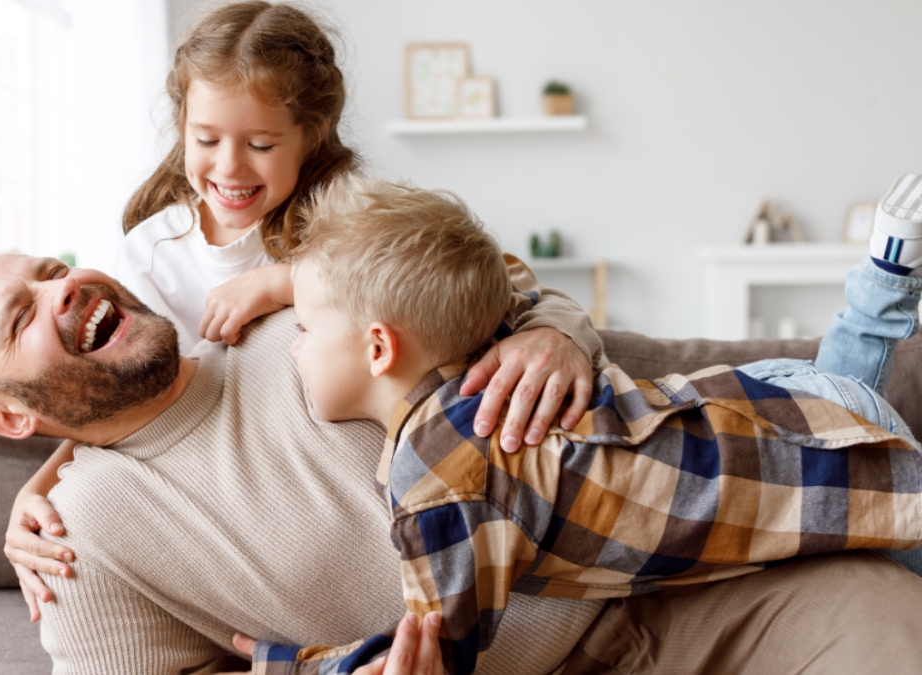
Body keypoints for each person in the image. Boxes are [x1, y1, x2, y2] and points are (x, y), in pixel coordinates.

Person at [0, 247, 922, 673]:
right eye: (25, 313)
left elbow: (497, 278)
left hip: (671, 589)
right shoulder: (78, 536)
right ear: (6, 418)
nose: (64, 288)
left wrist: (557, 331)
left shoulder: (295, 320)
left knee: (891, 620)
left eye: (50, 268)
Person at [5, 0, 605, 619]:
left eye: (261, 144)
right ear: (181, 125)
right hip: (240, 495)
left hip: (375, 475)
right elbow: (112, 398)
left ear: (311, 136)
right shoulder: (153, 253)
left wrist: (284, 282)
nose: (230, 167)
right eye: (206, 139)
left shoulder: (346, 217)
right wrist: (38, 486)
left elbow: (492, 280)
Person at [242, 174, 922, 675]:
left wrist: (298, 665)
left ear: (379, 347)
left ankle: (883, 281)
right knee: (852, 399)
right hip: (774, 401)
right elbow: (500, 278)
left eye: (303, 327)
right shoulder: (481, 349)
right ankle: (883, 277)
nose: (294, 346)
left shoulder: (439, 479)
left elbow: (433, 648)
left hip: (794, 452)